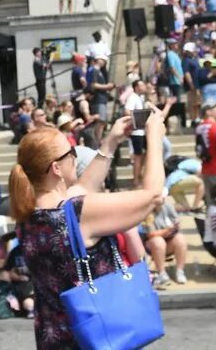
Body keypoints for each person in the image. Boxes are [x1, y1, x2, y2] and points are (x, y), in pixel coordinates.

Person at [11, 110, 164, 350]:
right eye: (70, 152)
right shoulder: (77, 213)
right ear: (56, 168)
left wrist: (110, 143)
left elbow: (83, 187)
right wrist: (154, 138)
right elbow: (152, 196)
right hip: (98, 340)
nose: (75, 155)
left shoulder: (28, 215)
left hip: (55, 340)